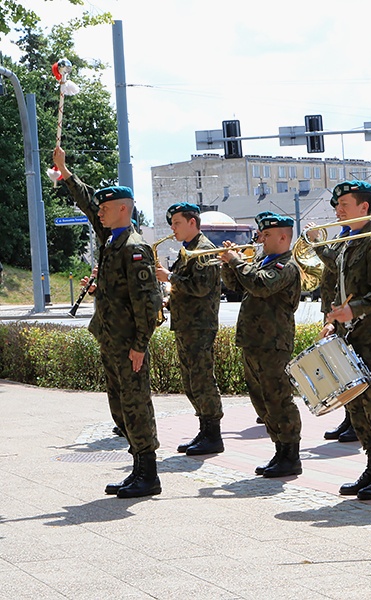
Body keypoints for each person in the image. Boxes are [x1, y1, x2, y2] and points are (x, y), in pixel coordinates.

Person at [53, 146, 163, 499]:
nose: (98, 212)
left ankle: (149, 473)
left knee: (136, 405)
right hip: (111, 340)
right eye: (99, 208)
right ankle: (137, 469)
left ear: (123, 210)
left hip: (130, 344)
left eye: (105, 208)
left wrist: (140, 345)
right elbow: (86, 204)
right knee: (120, 407)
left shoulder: (134, 248)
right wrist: (66, 174)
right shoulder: (111, 241)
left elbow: (150, 303)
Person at [320, 180, 371, 500]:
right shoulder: (347, 241)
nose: (337, 211)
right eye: (337, 206)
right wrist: (337, 320)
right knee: (357, 404)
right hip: (348, 335)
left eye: (344, 206)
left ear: (364, 208)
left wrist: (352, 310)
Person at [220, 212, 303, 478]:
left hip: (274, 342)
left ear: (283, 237)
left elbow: (259, 285)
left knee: (278, 399)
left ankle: (291, 454)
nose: (260, 238)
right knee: (261, 401)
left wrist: (237, 262)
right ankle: (279, 449)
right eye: (261, 234)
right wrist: (228, 263)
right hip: (254, 341)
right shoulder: (262, 261)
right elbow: (235, 285)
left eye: (266, 235)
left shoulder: (285, 266)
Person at [156, 202, 224, 455]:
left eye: (177, 223)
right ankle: (204, 430)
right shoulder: (188, 250)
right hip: (186, 325)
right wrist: (168, 300)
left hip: (200, 326)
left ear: (192, 222)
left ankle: (213, 434)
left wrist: (169, 277)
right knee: (191, 381)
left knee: (202, 379)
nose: (172, 228)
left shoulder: (203, 250)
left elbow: (202, 287)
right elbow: (187, 289)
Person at [313, 203, 358, 444]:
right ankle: (348, 417)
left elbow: (335, 262)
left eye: (344, 206)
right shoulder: (343, 235)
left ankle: (353, 421)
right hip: (333, 307)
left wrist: (317, 244)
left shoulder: (358, 237)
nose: (338, 212)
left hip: (346, 311)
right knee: (338, 368)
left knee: (348, 367)